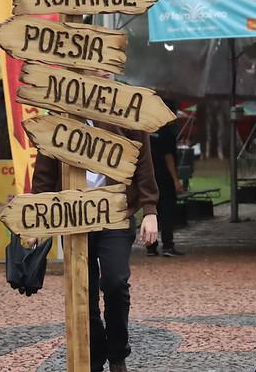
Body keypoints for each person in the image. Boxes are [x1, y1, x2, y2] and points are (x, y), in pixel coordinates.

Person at [31, 79, 159, 372]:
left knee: (115, 282)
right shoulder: (60, 111)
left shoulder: (125, 106)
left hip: (115, 212)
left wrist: (150, 208)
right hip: (73, 216)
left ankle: (117, 355)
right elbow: (45, 169)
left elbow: (143, 159)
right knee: (82, 290)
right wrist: (38, 217)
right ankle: (94, 357)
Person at [147, 99, 184, 257]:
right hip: (164, 177)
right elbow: (168, 156)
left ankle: (151, 245)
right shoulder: (166, 131)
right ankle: (168, 245)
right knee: (167, 210)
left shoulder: (147, 129)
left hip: (149, 176)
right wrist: (176, 179)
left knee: (151, 210)